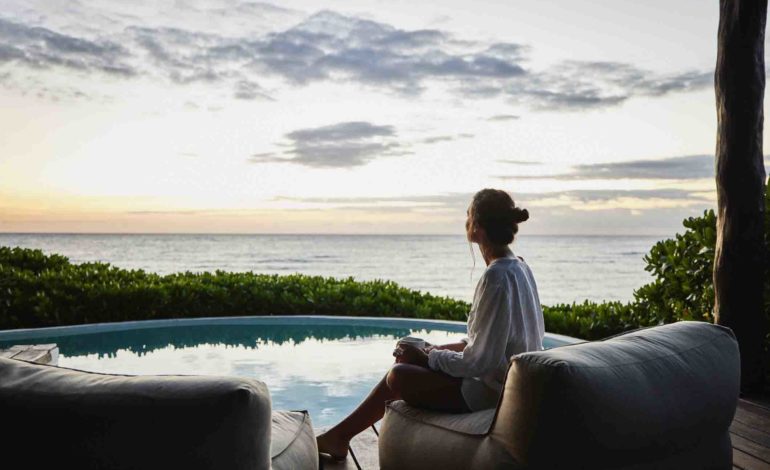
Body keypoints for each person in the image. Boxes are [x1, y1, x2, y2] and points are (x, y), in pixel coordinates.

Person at [316, 188, 545, 461]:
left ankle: (340, 436)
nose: (466, 221)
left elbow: (480, 363)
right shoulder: (519, 267)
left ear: (477, 227)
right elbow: (491, 342)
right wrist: (431, 349)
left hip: (490, 393)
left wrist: (428, 357)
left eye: (468, 215)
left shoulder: (496, 276)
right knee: (408, 355)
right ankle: (341, 436)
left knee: (398, 376)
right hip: (499, 382)